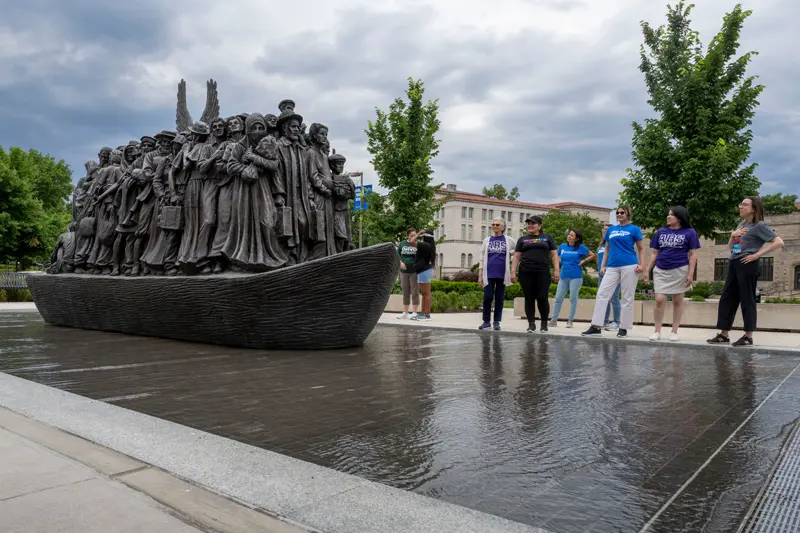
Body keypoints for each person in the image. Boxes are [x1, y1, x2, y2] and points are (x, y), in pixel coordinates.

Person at [707, 196, 784, 346]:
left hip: (748, 264)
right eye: (740, 204)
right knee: (727, 298)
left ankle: (748, 336)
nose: (740, 207)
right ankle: (724, 334)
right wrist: (732, 236)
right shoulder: (741, 225)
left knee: (747, 299)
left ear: (754, 209)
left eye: (744, 204)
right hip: (735, 262)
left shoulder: (760, 226)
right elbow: (733, 249)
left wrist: (756, 255)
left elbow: (779, 242)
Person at [582, 206, 645, 338]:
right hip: (612, 266)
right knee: (602, 294)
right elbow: (607, 249)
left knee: (627, 297)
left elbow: (641, 248)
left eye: (622, 212)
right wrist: (603, 265)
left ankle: (623, 328)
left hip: (629, 265)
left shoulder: (634, 229)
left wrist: (642, 264)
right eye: (617, 213)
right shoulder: (611, 229)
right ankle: (596, 326)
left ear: (628, 214)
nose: (619, 214)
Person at [644, 206, 701, 341]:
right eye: (668, 214)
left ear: (680, 217)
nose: (668, 217)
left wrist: (690, 274)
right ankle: (657, 331)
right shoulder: (660, 231)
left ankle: (674, 331)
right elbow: (654, 253)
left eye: (672, 215)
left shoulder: (690, 232)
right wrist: (647, 270)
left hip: (680, 269)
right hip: (661, 269)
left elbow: (693, 255)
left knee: (677, 300)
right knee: (660, 299)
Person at [511, 216, 559, 333]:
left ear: (539, 225)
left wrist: (557, 270)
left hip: (542, 271)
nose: (530, 225)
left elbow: (554, 254)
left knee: (542, 297)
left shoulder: (547, 238)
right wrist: (513, 272)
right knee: (529, 298)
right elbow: (516, 256)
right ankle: (531, 324)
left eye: (533, 223)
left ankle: (544, 323)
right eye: (529, 223)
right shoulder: (522, 239)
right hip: (526, 272)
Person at [550, 229, 594, 328]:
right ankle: (553, 320)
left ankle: (570, 320)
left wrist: (584, 261)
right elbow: (555, 256)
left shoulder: (580, 247)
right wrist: (556, 268)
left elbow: (592, 255)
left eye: (572, 235)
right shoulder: (562, 246)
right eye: (569, 234)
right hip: (563, 275)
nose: (569, 236)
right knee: (558, 298)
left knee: (573, 299)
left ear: (576, 238)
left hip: (576, 276)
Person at [478, 218, 517, 330]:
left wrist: (511, 253)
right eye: (493, 224)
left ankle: (496, 322)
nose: (495, 226)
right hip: (488, 273)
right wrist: (480, 275)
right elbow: (481, 257)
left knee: (499, 298)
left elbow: (519, 248)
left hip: (502, 274)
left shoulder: (508, 240)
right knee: (487, 297)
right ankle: (486, 321)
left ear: (503, 227)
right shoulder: (487, 240)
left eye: (497, 225)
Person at [597, 223, 621, 330]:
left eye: (607, 229)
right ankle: (605, 321)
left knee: (614, 298)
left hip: (613, 273)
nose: (604, 230)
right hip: (601, 275)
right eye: (603, 229)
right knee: (603, 298)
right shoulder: (601, 245)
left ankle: (617, 322)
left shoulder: (614, 243)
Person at [411, 229, 436, 321]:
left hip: (424, 271)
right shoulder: (429, 245)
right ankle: (423, 313)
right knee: (424, 293)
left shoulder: (425, 245)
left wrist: (418, 233)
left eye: (422, 236)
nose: (421, 238)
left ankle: (427, 314)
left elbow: (411, 241)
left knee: (427, 293)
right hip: (424, 271)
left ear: (425, 237)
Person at [397, 227, 420, 319]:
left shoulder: (417, 244)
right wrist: (400, 263)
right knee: (405, 291)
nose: (414, 237)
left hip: (414, 272)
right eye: (412, 235)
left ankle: (415, 312)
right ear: (407, 236)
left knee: (415, 292)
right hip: (403, 272)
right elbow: (397, 255)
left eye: (415, 235)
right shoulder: (402, 244)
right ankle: (405, 313)